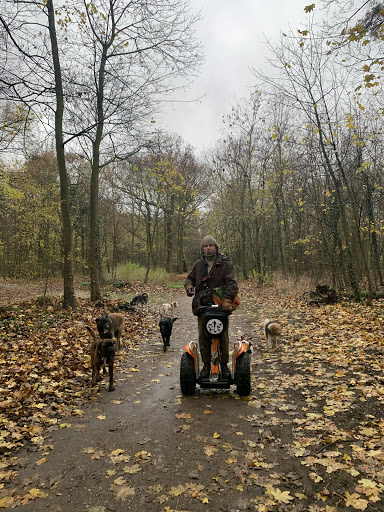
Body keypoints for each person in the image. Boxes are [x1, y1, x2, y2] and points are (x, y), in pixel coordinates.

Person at [184, 235, 239, 380]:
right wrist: (189, 286)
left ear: (216, 247)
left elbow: (232, 283)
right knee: (204, 337)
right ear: (202, 249)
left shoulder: (226, 265)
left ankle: (224, 365)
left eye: (210, 245)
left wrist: (227, 300)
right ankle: (206, 365)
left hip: (221, 307)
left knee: (223, 336)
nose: (208, 248)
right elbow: (190, 278)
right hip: (202, 306)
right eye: (205, 246)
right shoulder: (198, 264)